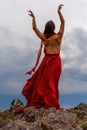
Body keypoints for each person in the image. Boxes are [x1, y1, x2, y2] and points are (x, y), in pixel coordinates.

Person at [15, 4, 65, 113]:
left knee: (45, 83)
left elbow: (34, 28)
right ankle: (51, 102)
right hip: (56, 62)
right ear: (53, 28)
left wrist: (33, 18)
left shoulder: (44, 38)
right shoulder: (58, 37)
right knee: (52, 83)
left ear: (46, 28)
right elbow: (63, 23)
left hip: (48, 62)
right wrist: (59, 12)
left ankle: (48, 102)